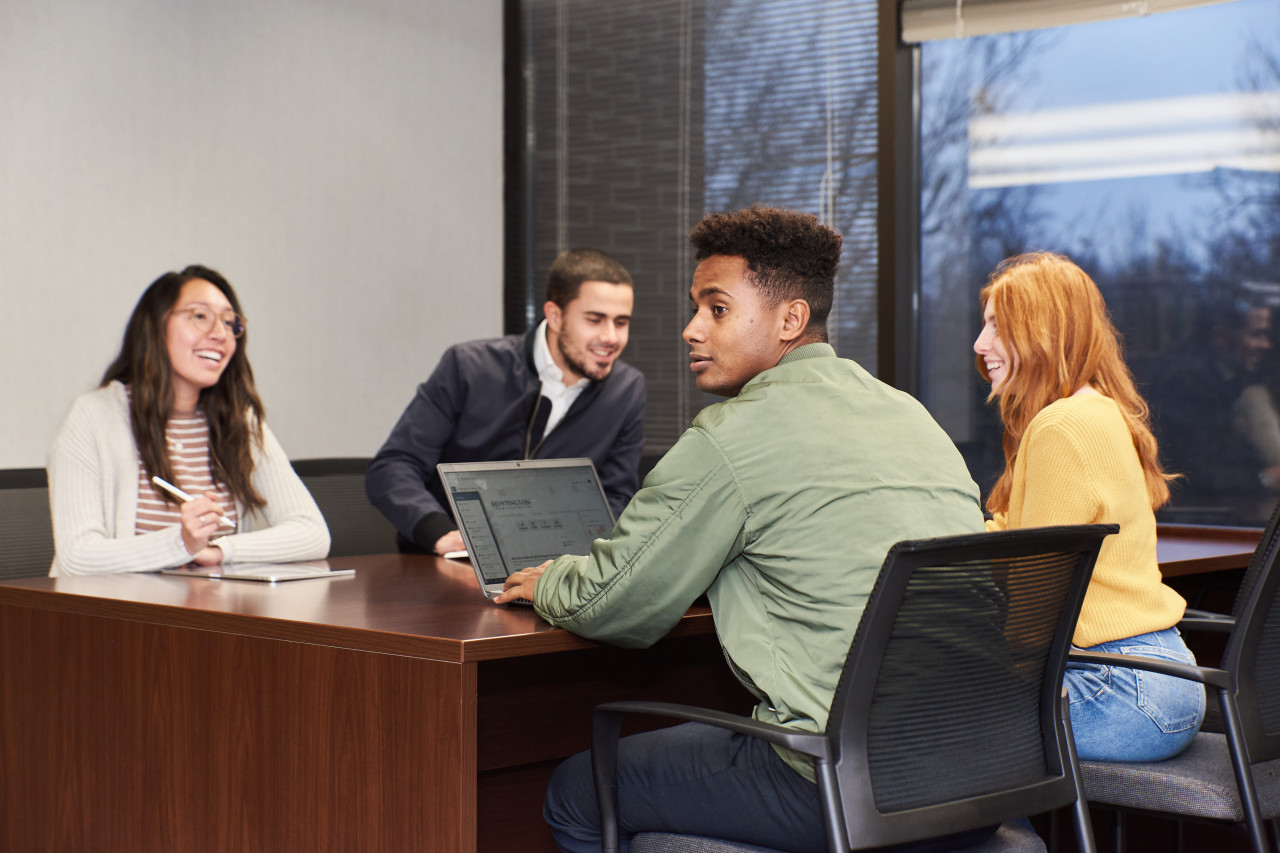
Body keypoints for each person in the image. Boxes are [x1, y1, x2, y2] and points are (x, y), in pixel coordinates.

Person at [497, 206, 986, 853]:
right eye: (695, 308)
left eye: (717, 309)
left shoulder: (732, 436)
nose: (690, 329)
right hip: (978, 763)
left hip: (837, 779)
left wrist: (550, 580)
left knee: (578, 786)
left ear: (790, 320)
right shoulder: (910, 414)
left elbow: (614, 602)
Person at [973, 251, 1205, 761]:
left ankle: (1010, 845)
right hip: (1162, 679)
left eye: (997, 327)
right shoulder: (1098, 412)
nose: (980, 344)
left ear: (1043, 332)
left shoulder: (1059, 427)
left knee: (932, 727)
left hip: (1117, 689)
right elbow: (1028, 535)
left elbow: (1037, 600)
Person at [48, 265, 330, 576]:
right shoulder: (95, 416)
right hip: (118, 618)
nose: (219, 334)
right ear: (155, 327)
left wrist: (222, 550)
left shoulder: (239, 420)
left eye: (228, 322)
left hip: (209, 613)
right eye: (200, 316)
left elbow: (312, 532)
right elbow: (77, 556)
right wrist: (181, 543)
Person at [365, 248, 645, 556]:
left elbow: (616, 497)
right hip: (447, 562)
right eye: (595, 320)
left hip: (556, 569)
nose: (611, 337)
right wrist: (439, 532)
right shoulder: (470, 367)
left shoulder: (626, 390)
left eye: (621, 322)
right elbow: (393, 468)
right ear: (554, 315)